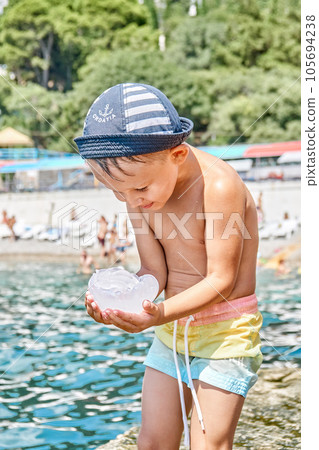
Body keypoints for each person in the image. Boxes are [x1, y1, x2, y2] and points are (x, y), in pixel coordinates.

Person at [75, 83, 263, 449]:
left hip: (226, 335)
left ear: (176, 155)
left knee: (208, 444)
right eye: (118, 193)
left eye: (139, 190)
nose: (131, 200)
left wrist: (157, 314)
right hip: (171, 333)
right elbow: (153, 271)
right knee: (152, 441)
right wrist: (125, 300)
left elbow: (222, 280)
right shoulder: (139, 191)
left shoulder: (219, 186)